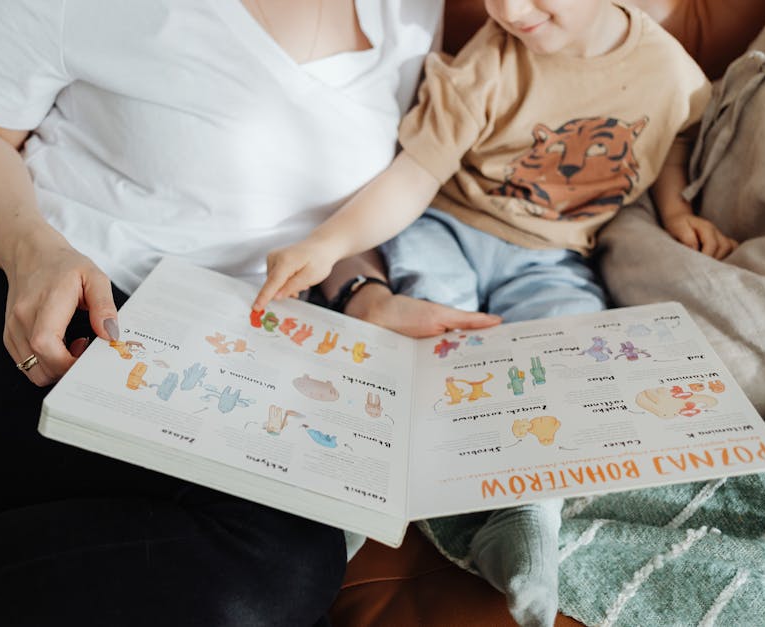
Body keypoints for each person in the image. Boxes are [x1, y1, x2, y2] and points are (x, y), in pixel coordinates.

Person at [0, 1, 501, 625]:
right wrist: (33, 252)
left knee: (276, 567)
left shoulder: (408, 10)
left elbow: (328, 217)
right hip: (37, 308)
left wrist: (364, 296)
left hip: (227, 360)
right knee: (285, 560)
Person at [254, 1, 739, 624]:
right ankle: (361, 503)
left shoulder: (673, 73)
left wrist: (675, 211)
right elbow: (415, 175)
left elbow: (673, 137)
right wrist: (330, 244)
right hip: (445, 224)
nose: (508, 10)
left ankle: (529, 515)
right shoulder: (492, 58)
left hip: (551, 257)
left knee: (568, 360)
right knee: (435, 336)